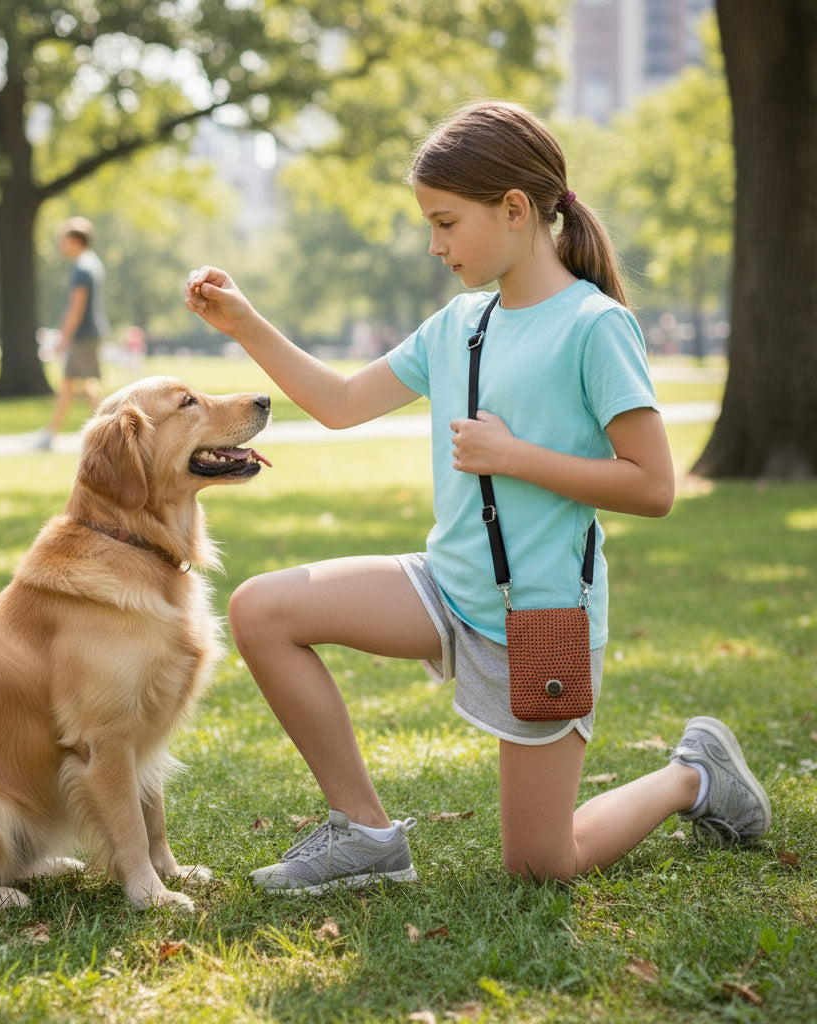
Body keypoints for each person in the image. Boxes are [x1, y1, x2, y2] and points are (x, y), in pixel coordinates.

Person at [183, 101, 770, 894]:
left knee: (539, 866)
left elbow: (654, 486)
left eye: (447, 222)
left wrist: (517, 457)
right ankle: (364, 836)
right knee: (261, 609)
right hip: (443, 585)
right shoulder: (459, 323)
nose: (436, 244)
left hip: (540, 617)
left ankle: (692, 777)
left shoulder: (595, 327)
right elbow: (341, 403)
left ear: (516, 210)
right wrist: (245, 323)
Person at [34, 217, 110, 450]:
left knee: (74, 384)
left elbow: (76, 306)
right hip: (88, 333)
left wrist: (63, 337)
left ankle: (109, 433)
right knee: (81, 385)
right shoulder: (91, 263)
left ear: (76, 240)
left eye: (63, 239)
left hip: (83, 335)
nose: (61, 244)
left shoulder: (82, 267)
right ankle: (53, 433)